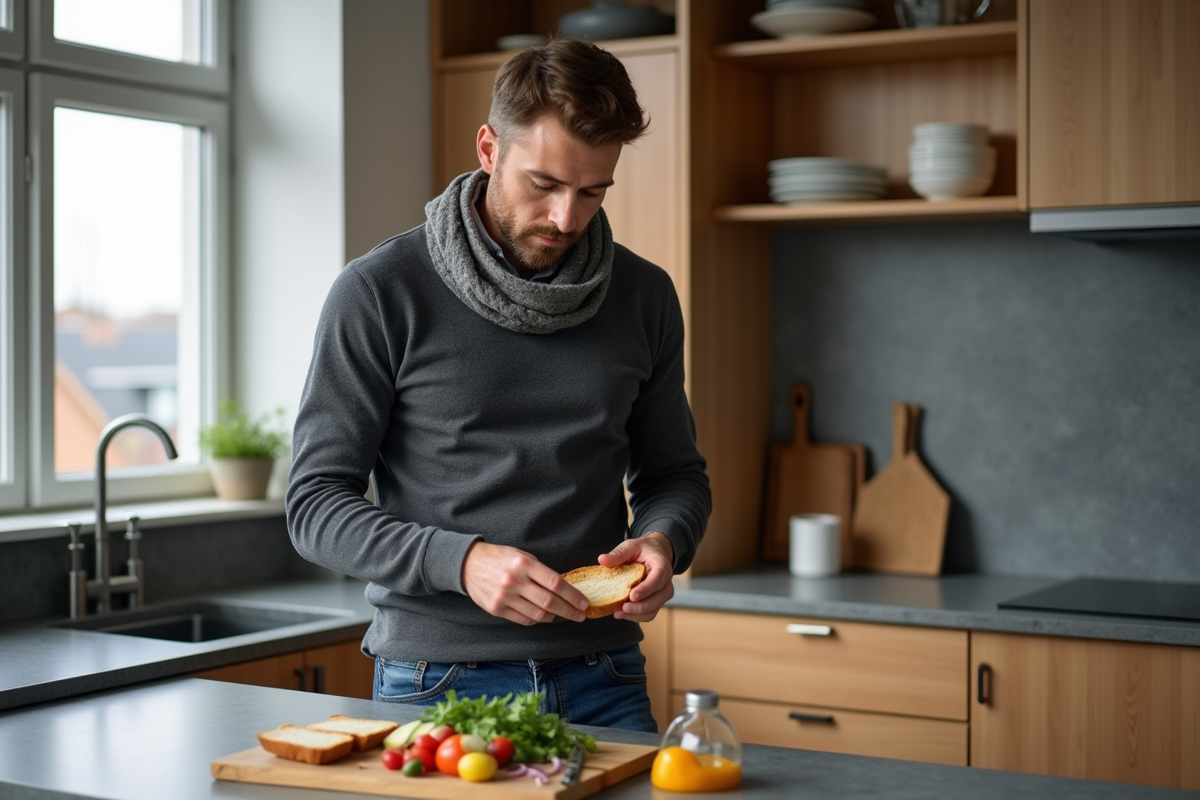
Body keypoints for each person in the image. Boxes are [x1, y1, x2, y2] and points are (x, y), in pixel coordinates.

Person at [285, 37, 711, 733]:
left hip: (604, 674)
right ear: (489, 149)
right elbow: (313, 506)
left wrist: (664, 542)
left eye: (593, 192)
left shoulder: (645, 296)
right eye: (543, 185)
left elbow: (674, 474)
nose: (567, 219)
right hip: (437, 681)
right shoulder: (379, 292)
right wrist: (463, 563)